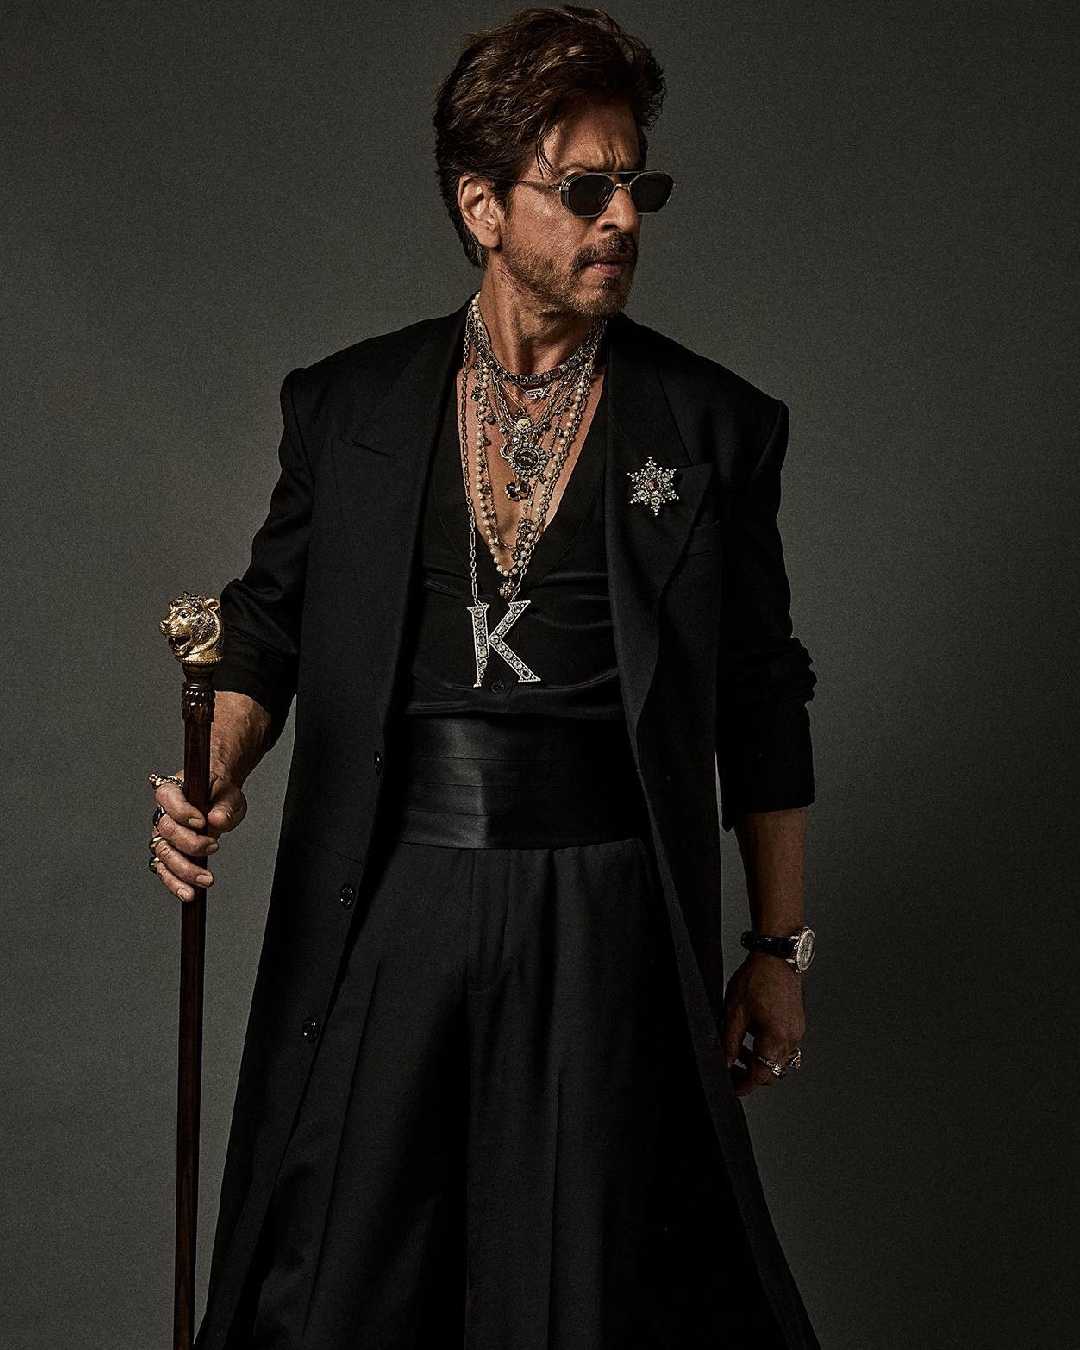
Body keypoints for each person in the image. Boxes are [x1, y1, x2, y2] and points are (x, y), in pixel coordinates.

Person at [148, 7, 819, 1347]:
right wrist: (213, 766)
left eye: (637, 187)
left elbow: (761, 697)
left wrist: (774, 948)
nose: (622, 217)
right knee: (335, 1285)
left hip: (608, 910)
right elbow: (265, 628)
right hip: (393, 896)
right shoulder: (349, 410)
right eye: (585, 189)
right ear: (483, 206)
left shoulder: (712, 428)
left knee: (585, 1293)